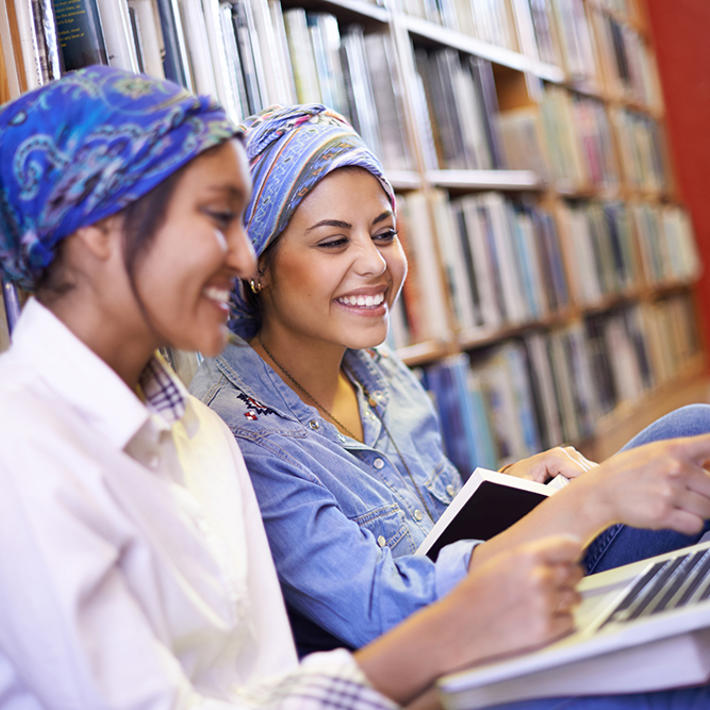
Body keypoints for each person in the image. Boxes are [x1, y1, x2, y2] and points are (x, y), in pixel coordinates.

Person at [0, 63, 622, 710]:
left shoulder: (199, 435)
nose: (244, 260)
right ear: (99, 229)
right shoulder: (21, 452)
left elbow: (272, 679)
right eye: (218, 218)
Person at [189, 103, 710, 670]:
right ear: (256, 266)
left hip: (508, 608)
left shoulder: (379, 370)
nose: (374, 263)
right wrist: (590, 503)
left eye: (384, 233)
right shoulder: (242, 437)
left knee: (694, 436)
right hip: (442, 671)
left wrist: (510, 489)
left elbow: (438, 537)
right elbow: (392, 613)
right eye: (333, 242)